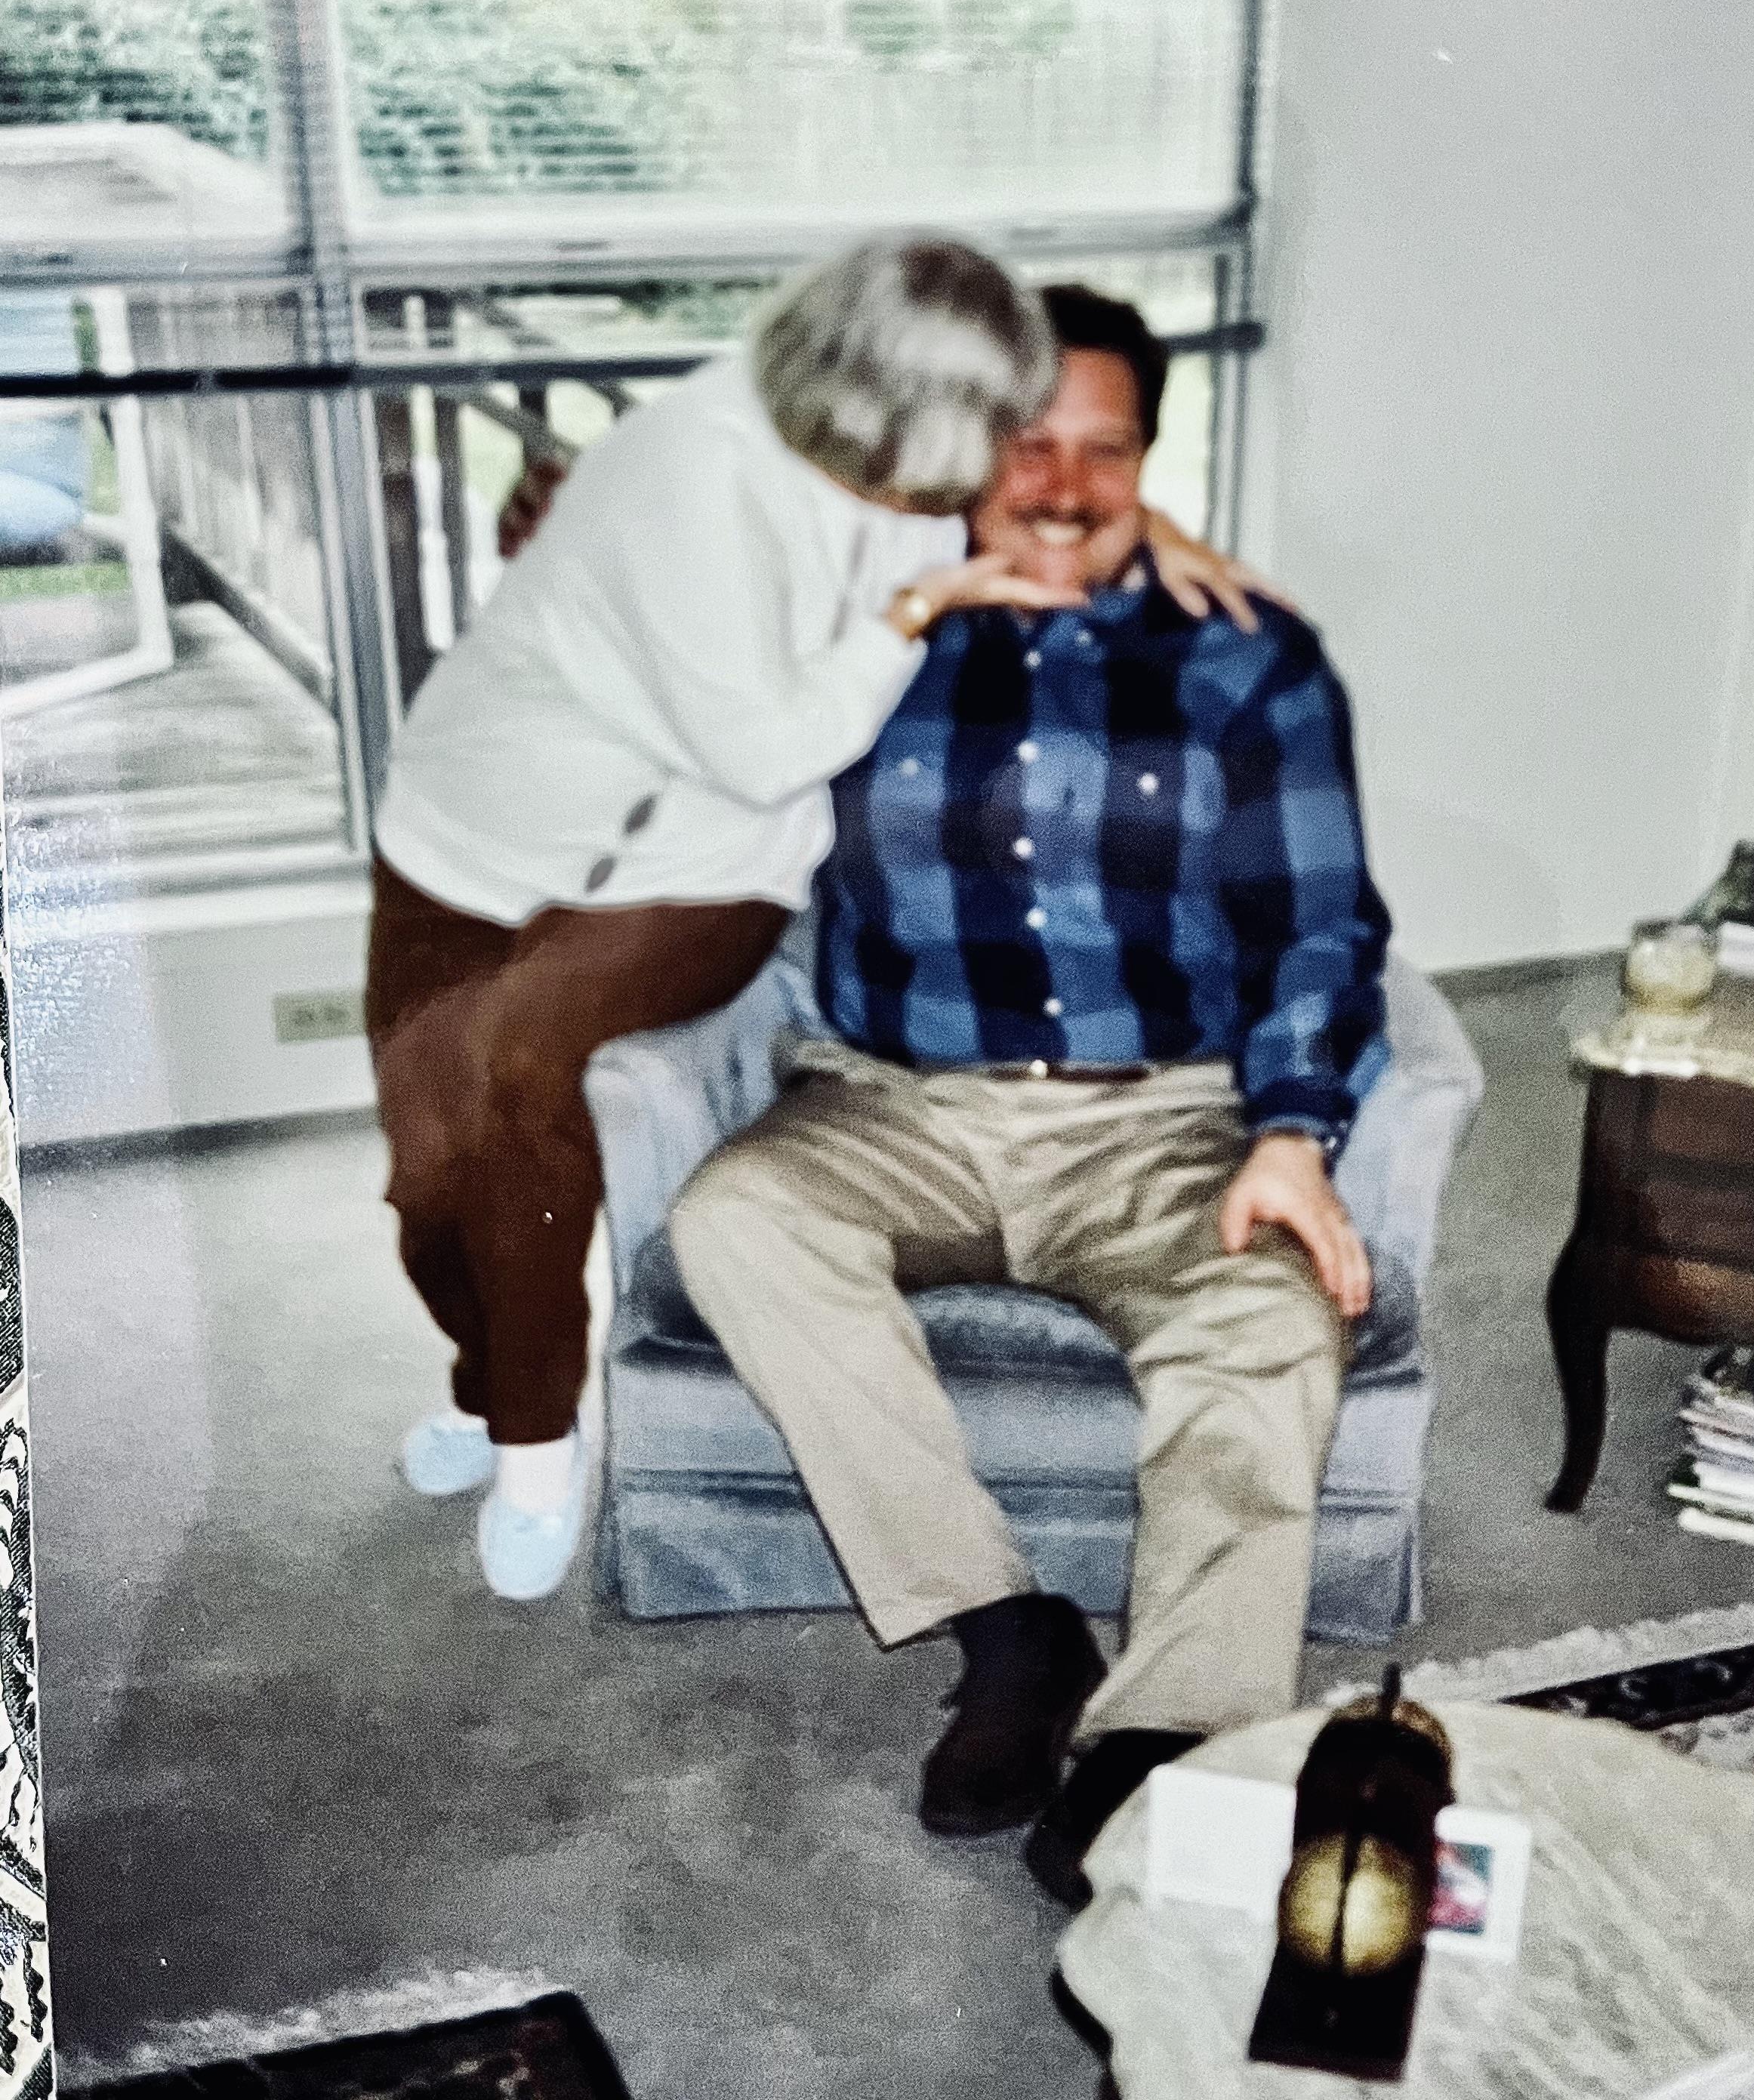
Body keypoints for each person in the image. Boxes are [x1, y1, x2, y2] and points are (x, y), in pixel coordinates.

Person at [368, 237, 1259, 1605]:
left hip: (705, 863)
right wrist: (913, 607)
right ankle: (493, 1396)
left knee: (520, 1073)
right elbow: (769, 733)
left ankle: (539, 1444)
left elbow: (1063, 501)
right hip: (476, 830)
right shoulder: (687, 479)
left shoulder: (924, 457)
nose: (955, 495)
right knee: (429, 1171)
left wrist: (1168, 540)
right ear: (849, 408)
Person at [665, 281, 1392, 1904]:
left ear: (1151, 458)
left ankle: (1169, 1730)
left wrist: (1292, 1133)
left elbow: (1320, 922)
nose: (1065, 485)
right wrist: (912, 577)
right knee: (738, 1216)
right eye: (1024, 444)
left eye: (1106, 450)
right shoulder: (857, 631)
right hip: (896, 1105)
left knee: (1274, 1318)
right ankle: (1008, 1627)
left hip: (1161, 1115)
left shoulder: (1247, 658)